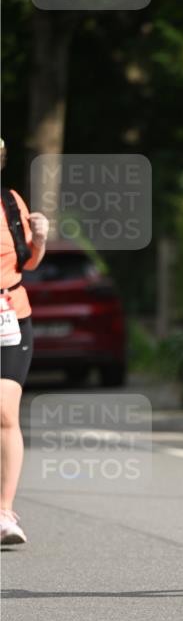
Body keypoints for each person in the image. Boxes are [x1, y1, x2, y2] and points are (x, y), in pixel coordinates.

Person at [0, 138, 49, 544]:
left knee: (5, 413)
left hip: (11, 315)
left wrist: (41, 238)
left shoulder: (10, 201)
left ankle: (4, 512)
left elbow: (27, 260)